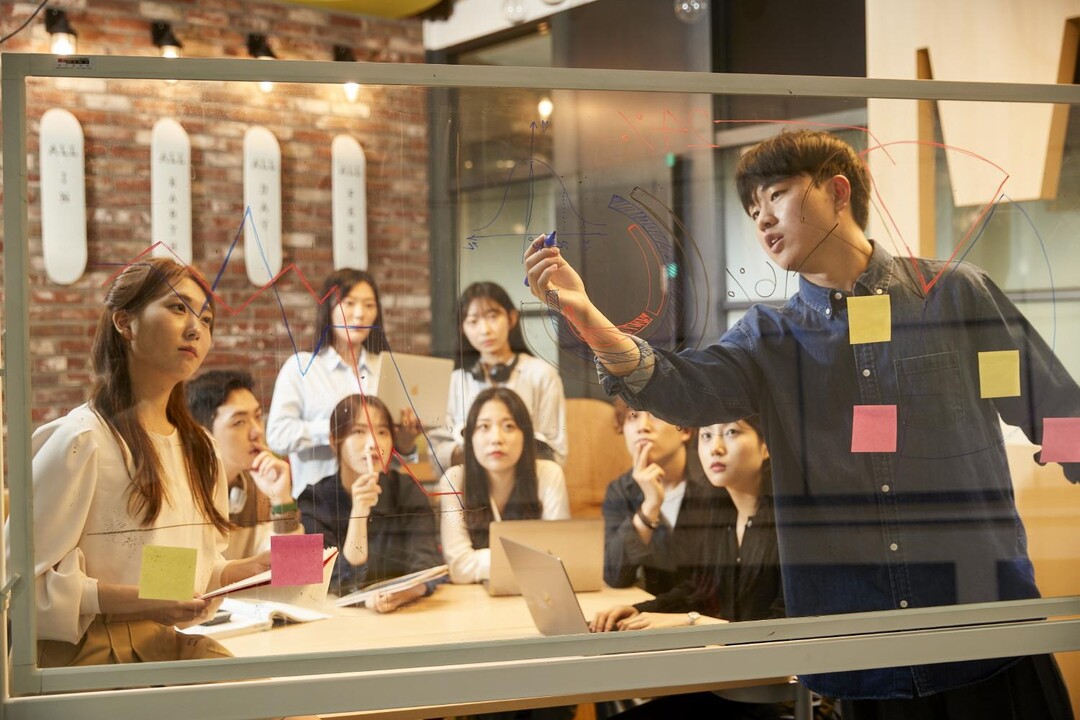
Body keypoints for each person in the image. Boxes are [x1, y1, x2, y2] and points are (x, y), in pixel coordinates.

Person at [525, 130, 1077, 719]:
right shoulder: (770, 339)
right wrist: (588, 320)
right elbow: (683, 391)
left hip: (984, 632)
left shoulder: (953, 298)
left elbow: (1055, 413)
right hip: (864, 662)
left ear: (838, 191)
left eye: (777, 195)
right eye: (751, 210)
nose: (762, 219)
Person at [16, 258, 269, 666]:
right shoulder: (80, 441)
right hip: (85, 653)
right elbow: (21, 589)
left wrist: (237, 573)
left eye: (207, 319)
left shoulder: (199, 450)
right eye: (178, 307)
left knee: (273, 690)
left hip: (158, 642)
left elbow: (169, 577)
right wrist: (138, 601)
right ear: (125, 322)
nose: (196, 329)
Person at [592, 417, 787, 720]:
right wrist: (639, 610)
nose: (715, 448)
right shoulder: (722, 514)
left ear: (766, 447)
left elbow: (782, 631)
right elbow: (700, 590)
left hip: (768, 696)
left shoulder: (787, 526)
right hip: (724, 685)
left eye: (731, 432)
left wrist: (690, 621)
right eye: (706, 436)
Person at [266, 268, 420, 498]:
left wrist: (406, 442)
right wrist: (337, 428)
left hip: (378, 500)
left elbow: (395, 459)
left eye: (369, 305)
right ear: (328, 308)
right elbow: (278, 436)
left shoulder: (386, 369)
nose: (359, 314)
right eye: (349, 303)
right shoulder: (302, 367)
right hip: (318, 503)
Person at [298, 394, 443, 612]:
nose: (373, 443)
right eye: (358, 431)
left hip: (408, 614)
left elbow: (428, 564)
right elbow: (327, 580)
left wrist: (409, 591)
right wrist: (359, 512)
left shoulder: (406, 490)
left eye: (382, 432)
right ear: (334, 441)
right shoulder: (314, 500)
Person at [429, 281, 567, 472]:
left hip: (527, 481)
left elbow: (555, 451)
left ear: (511, 318)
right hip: (472, 482)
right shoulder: (455, 381)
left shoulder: (541, 374)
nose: (485, 330)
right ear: (462, 328)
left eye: (492, 316)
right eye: (473, 321)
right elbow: (438, 454)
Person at [439, 387, 570, 584]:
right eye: (484, 426)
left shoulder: (548, 475)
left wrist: (481, 562)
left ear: (526, 435)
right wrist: (531, 557)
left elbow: (559, 557)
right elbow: (458, 566)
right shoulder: (454, 480)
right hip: (473, 596)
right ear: (471, 437)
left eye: (509, 426)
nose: (496, 439)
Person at [602, 399, 717, 595]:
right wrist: (650, 506)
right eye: (633, 417)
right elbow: (616, 576)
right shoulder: (620, 490)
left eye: (655, 415)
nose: (643, 427)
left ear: (685, 430)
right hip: (652, 610)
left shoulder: (714, 482)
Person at [186, 369, 301, 560]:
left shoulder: (263, 490)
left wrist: (282, 500)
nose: (257, 431)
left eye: (258, 417)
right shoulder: (177, 494)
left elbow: (299, 570)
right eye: (239, 422)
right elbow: (164, 578)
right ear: (202, 434)